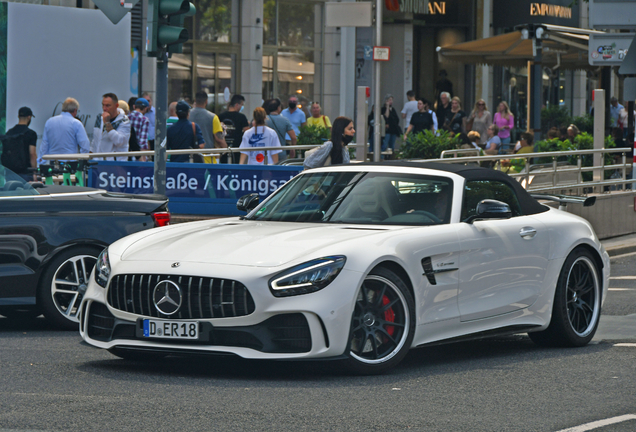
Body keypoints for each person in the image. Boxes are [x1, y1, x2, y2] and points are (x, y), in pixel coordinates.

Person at [39, 98, 90, 165]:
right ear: (75, 110)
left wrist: (41, 161)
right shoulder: (76, 123)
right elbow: (85, 145)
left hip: (54, 161)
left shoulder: (49, 122)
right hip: (71, 162)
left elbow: (45, 144)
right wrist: (82, 161)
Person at [190, 91, 227, 163]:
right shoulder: (213, 117)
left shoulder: (188, 115)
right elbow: (219, 138)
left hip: (190, 157)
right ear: (206, 101)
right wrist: (226, 148)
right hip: (207, 157)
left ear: (195, 100)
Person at [91, 93, 131, 161]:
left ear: (116, 106)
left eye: (108, 106)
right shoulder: (99, 117)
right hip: (98, 161)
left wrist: (107, 123)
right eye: (103, 105)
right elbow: (96, 139)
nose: (104, 108)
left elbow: (120, 141)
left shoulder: (124, 121)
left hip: (115, 163)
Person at [3, 107, 37, 179]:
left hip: (10, 173)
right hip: (26, 173)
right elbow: (32, 154)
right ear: (29, 117)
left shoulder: (9, 133)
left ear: (18, 116)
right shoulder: (31, 134)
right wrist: (34, 172)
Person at [219, 94, 250, 163]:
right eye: (241, 104)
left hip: (223, 149)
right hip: (237, 149)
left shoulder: (221, 116)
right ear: (237, 105)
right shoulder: (241, 117)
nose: (242, 107)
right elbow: (247, 132)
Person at [265, 98, 296, 162]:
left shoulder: (264, 120)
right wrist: (293, 148)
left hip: (267, 151)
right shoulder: (285, 120)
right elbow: (293, 137)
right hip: (281, 151)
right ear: (278, 108)